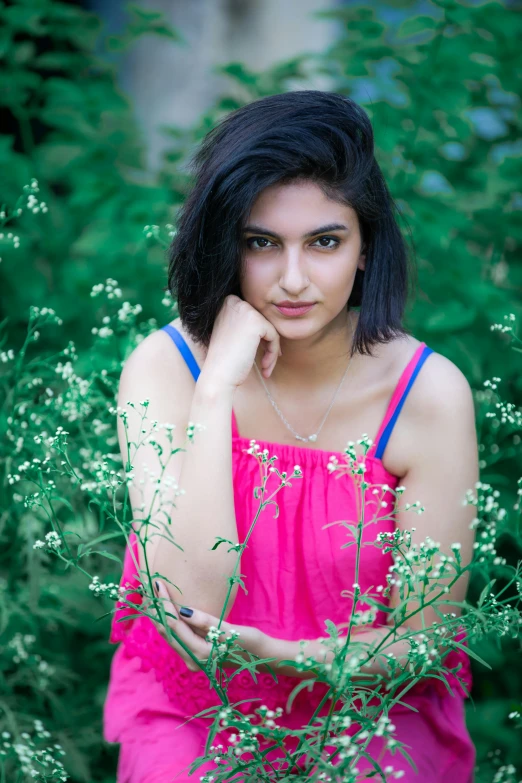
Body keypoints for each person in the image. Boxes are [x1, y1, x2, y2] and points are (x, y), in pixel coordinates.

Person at [103, 90, 479, 782]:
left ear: (367, 247)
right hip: (195, 702)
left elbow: (423, 639)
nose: (294, 279)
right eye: (261, 243)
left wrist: (287, 657)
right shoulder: (167, 369)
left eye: (326, 242)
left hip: (369, 705)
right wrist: (215, 389)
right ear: (225, 244)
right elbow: (192, 608)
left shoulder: (426, 394)